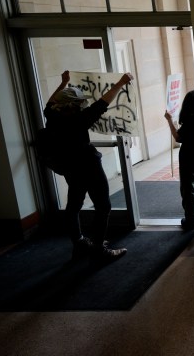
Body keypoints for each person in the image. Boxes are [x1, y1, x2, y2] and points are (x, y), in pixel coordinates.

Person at [43, 69, 134, 262]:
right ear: (74, 106)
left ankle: (79, 243)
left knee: (73, 206)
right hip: (89, 166)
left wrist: (63, 83)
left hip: (69, 167)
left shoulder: (52, 115)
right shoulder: (79, 119)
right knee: (103, 206)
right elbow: (103, 103)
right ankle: (99, 248)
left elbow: (50, 101)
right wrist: (120, 82)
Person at [164, 90, 194, 231]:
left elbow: (178, 138)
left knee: (189, 188)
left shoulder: (190, 120)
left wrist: (169, 121)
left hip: (188, 158)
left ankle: (191, 220)